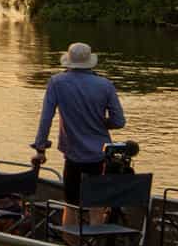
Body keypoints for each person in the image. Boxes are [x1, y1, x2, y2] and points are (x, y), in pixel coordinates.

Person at [30, 43, 126, 204]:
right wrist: (98, 122)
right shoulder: (105, 84)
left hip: (73, 156)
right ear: (89, 61)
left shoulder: (57, 83)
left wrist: (41, 149)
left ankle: (70, 229)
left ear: (69, 61)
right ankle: (96, 228)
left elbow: (46, 119)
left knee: (71, 206)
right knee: (97, 205)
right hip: (100, 155)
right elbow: (119, 121)